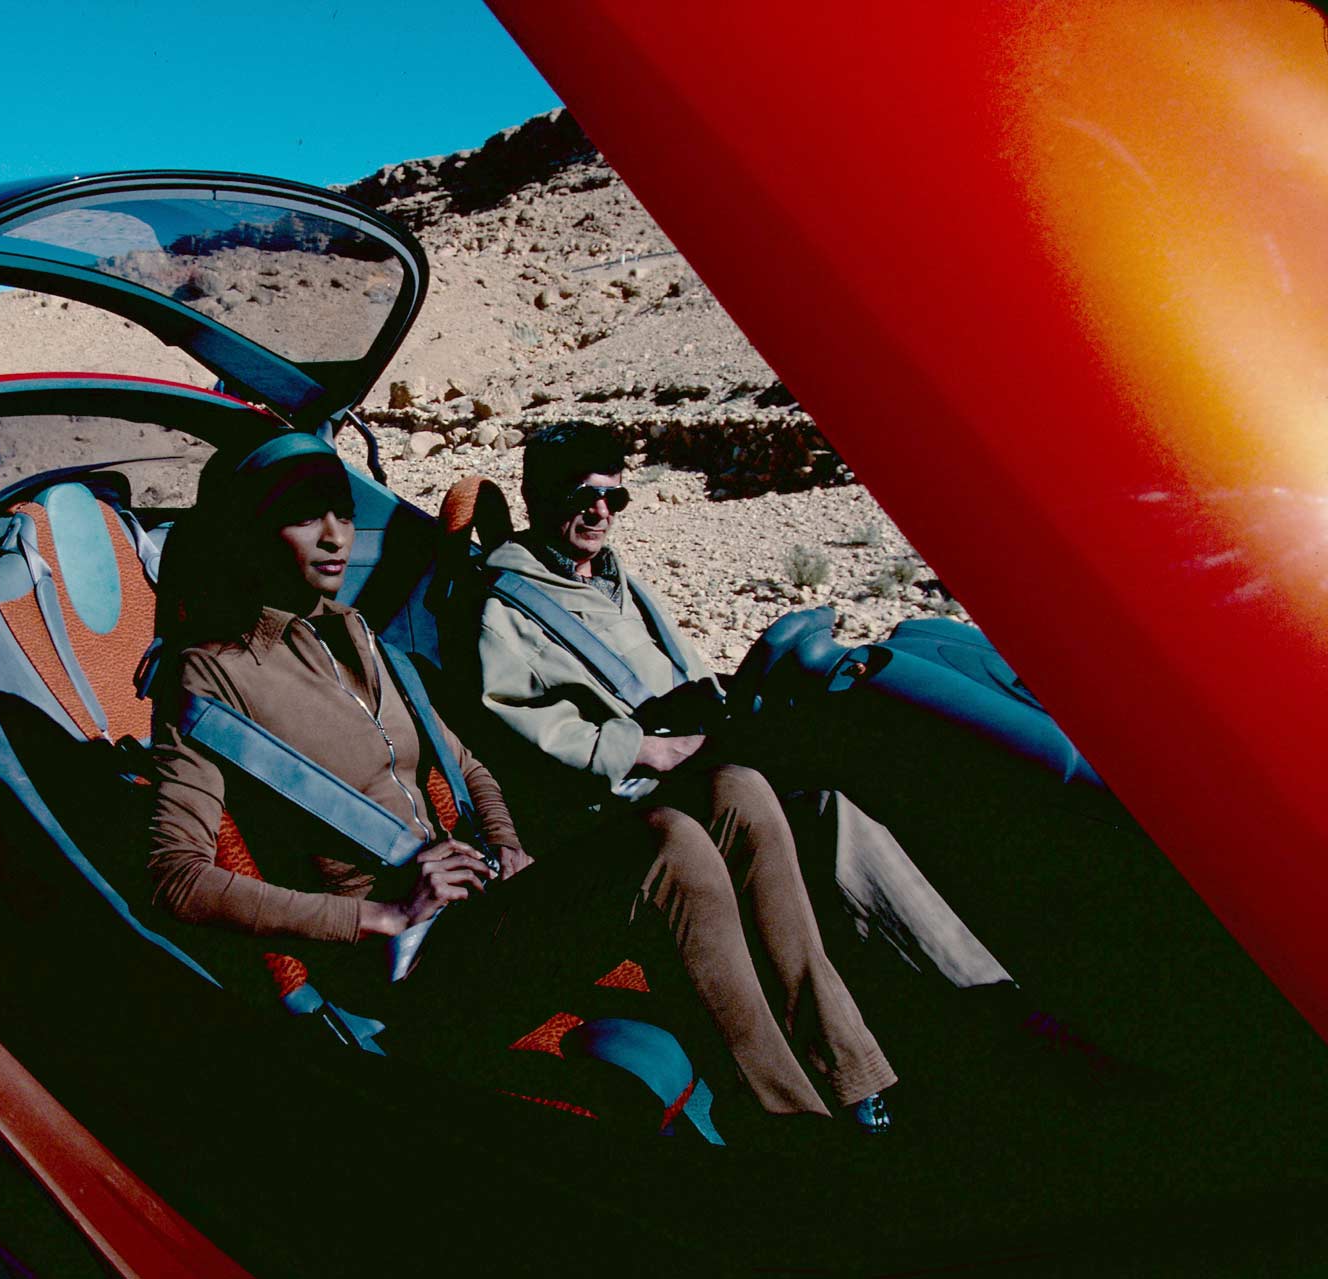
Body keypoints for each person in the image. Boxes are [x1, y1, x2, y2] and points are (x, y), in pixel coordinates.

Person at [146, 431, 892, 1136]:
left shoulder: (359, 634)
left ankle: (854, 1079)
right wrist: (379, 914)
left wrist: (505, 842)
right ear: (250, 531)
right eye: (306, 518)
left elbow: (466, 763)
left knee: (735, 789)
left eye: (342, 511)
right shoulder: (208, 675)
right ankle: (792, 1130)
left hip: (480, 910)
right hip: (407, 969)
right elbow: (176, 878)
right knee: (666, 842)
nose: (337, 536)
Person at [476, 422, 900, 1129]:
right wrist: (641, 749)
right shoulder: (507, 606)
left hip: (674, 762)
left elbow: (681, 670)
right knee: (688, 838)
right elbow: (519, 727)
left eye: (614, 498)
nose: (601, 513)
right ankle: (787, 1114)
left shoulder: (614, 580)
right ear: (540, 497)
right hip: (601, 802)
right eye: (583, 497)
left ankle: (849, 1069)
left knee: (746, 789)